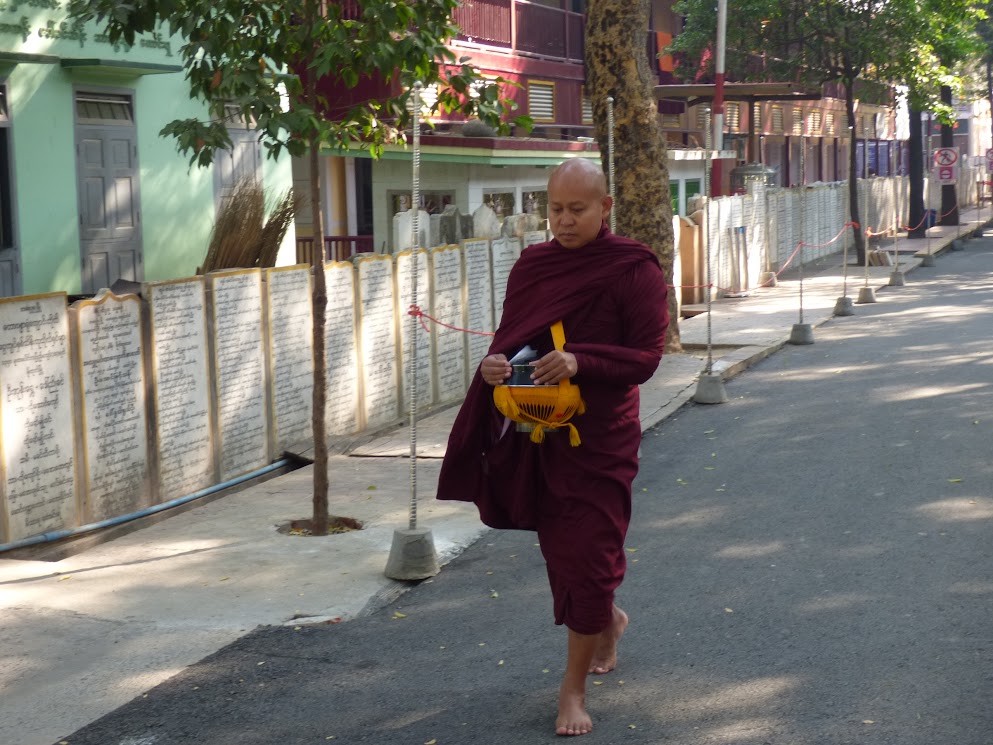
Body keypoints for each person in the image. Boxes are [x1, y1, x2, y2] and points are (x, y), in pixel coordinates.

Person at [437, 158, 669, 736]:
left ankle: (571, 691)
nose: (563, 222)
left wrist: (581, 360)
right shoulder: (533, 266)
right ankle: (606, 618)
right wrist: (494, 366)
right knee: (565, 551)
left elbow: (646, 359)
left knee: (589, 553)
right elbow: (514, 343)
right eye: (555, 209)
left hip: (600, 438)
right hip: (541, 435)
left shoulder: (633, 269)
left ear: (605, 208)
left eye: (577, 210)